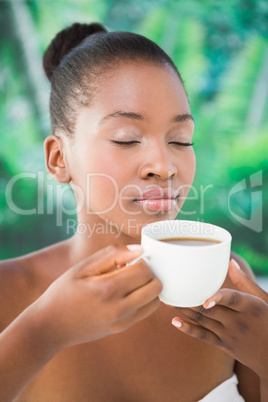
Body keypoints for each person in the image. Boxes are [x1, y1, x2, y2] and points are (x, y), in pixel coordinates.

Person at [0, 22, 267, 402]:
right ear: (59, 159)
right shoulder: (9, 294)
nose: (164, 164)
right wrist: (42, 332)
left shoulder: (225, 285)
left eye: (180, 140)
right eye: (126, 139)